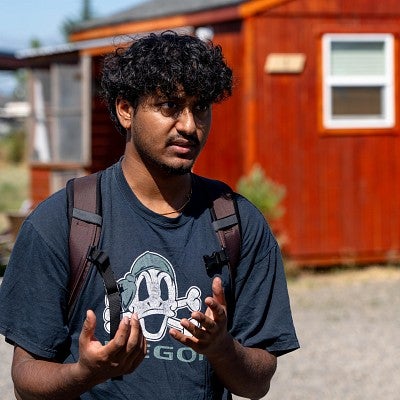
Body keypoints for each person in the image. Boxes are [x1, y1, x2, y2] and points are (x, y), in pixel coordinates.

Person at [0, 31, 299, 400]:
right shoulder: (62, 222)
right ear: (126, 110)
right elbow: (25, 382)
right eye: (169, 107)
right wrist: (85, 372)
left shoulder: (237, 223)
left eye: (200, 107)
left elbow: (257, 383)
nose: (189, 125)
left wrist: (222, 347)